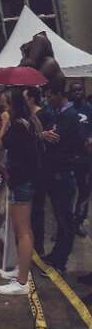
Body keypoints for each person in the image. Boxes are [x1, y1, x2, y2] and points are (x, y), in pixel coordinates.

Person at [0, 87, 41, 296]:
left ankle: (22, 282)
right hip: (22, 180)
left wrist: (4, 123)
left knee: (23, 232)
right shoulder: (25, 123)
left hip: (21, 182)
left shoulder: (18, 126)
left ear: (12, 106)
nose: (2, 108)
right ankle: (20, 270)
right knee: (23, 230)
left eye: (4, 105)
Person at [34, 85, 83, 273]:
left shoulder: (69, 115)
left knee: (65, 221)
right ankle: (56, 255)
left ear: (59, 94)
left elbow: (58, 141)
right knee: (60, 219)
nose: (47, 99)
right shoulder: (60, 114)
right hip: (57, 174)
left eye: (50, 95)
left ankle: (61, 261)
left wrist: (47, 137)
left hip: (63, 174)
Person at [69, 83, 92, 236]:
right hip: (69, 158)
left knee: (84, 191)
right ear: (70, 92)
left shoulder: (89, 109)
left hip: (86, 158)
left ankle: (78, 222)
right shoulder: (67, 109)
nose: (77, 92)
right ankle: (65, 225)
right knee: (68, 192)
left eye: (80, 90)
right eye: (74, 90)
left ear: (83, 92)